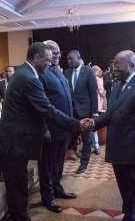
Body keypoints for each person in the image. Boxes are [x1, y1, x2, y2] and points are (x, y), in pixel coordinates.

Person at [0, 42, 87, 221]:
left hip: (17, 139)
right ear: (37, 58)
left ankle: (19, 214)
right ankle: (19, 216)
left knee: (18, 181)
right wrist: (77, 125)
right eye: (46, 60)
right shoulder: (29, 78)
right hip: (15, 140)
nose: (50, 63)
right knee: (17, 183)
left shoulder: (27, 72)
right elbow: (47, 109)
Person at [84, 50, 135, 221]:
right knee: (125, 190)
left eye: (118, 65)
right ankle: (130, 215)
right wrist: (94, 123)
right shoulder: (118, 85)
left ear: (131, 64)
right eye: (114, 65)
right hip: (118, 151)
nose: (114, 68)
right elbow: (111, 113)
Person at [38, 40, 76, 213]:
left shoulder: (58, 72)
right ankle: (48, 197)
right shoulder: (41, 73)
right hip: (50, 129)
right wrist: (44, 128)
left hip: (63, 127)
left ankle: (57, 188)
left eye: (58, 51)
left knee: (59, 162)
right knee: (47, 164)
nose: (57, 55)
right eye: (53, 52)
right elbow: (40, 106)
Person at [64, 50, 98, 174]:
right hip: (71, 112)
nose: (68, 61)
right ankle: (70, 152)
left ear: (79, 58)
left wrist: (94, 113)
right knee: (70, 136)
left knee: (86, 139)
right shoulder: (66, 72)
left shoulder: (88, 71)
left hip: (85, 112)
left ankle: (83, 164)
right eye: (67, 59)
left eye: (70, 59)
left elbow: (93, 93)